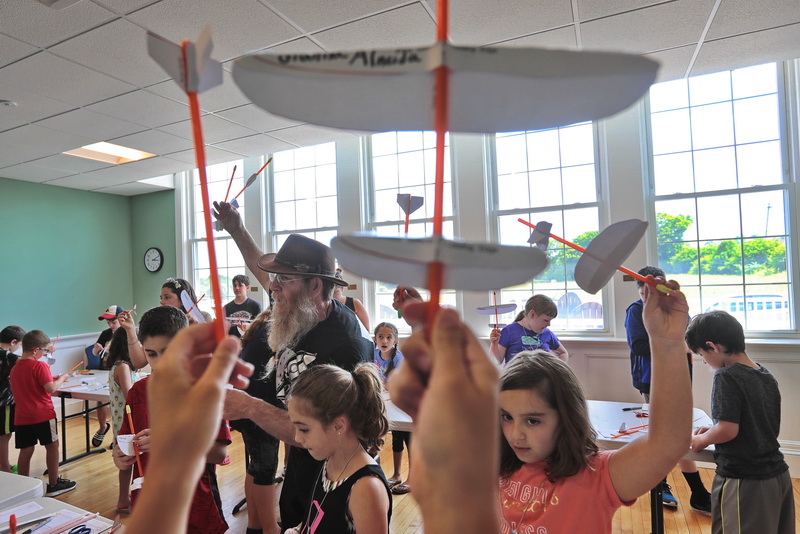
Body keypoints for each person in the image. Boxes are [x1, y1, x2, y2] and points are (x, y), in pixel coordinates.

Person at [213, 203, 374, 529]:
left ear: (315, 286)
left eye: (283, 279)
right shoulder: (298, 304)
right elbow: (262, 270)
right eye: (276, 278)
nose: (273, 286)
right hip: (303, 471)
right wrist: (236, 228)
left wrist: (250, 408)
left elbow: (324, 434)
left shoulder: (347, 345)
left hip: (338, 482)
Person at [124, 322, 252, 534]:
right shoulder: (137, 391)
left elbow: (219, 454)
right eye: (151, 354)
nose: (161, 362)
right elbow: (128, 446)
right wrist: (121, 457)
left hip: (197, 504)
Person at [687, 310, 795, 533]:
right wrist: (715, 428)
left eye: (701, 354)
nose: (704, 361)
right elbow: (755, 422)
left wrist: (703, 439)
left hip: (744, 480)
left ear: (713, 346)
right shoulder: (764, 374)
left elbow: (728, 430)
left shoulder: (726, 376)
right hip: (777, 475)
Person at [625, 265, 711, 513]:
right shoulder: (636, 311)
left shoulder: (673, 309)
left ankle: (695, 492)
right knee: (666, 434)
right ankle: (665, 486)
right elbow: (639, 346)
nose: (649, 297)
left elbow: (689, 342)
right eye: (644, 293)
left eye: (654, 291)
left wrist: (681, 345)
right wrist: (669, 342)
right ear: (640, 291)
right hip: (652, 379)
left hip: (679, 377)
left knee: (682, 432)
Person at [285, 363, 391, 533]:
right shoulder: (330, 461)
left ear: (338, 426)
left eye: (304, 429)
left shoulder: (366, 488)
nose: (297, 438)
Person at [229, 308, 281, 534]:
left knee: (256, 467)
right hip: (260, 409)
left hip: (247, 406)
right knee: (265, 471)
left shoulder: (260, 326)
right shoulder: (274, 330)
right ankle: (270, 529)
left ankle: (254, 525)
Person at [9, 330, 77, 496]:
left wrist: (50, 377)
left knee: (26, 450)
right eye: (45, 351)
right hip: (43, 415)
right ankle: (53, 484)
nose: (46, 354)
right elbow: (51, 388)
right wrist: (63, 378)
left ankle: (24, 486)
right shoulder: (40, 365)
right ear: (35, 350)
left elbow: (31, 383)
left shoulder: (15, 367)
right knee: (52, 446)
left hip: (22, 417)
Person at [373, 322, 411, 495]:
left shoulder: (398, 358)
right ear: (375, 339)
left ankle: (413, 478)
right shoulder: (373, 354)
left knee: (409, 438)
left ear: (395, 340)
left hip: (404, 404)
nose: (384, 340)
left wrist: (383, 383)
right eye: (380, 336)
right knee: (396, 436)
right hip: (387, 403)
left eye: (389, 337)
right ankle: (396, 475)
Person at [106, 327, 139, 514]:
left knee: (126, 462)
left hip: (122, 420)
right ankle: (126, 499)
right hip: (128, 420)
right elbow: (130, 395)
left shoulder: (117, 365)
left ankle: (123, 499)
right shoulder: (123, 367)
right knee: (128, 461)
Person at [490, 294, 568, 365]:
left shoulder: (547, 333)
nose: (549, 325)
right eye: (546, 320)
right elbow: (497, 361)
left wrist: (558, 370)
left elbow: (563, 353)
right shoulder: (509, 331)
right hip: (515, 379)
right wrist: (494, 344)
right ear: (532, 314)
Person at [91, 305, 121, 447]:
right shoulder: (106, 333)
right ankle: (103, 427)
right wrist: (96, 349)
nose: (110, 325)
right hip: (104, 371)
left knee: (119, 403)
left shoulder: (127, 333)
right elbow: (96, 353)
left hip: (121, 372)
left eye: (113, 322)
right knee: (101, 400)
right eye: (108, 322)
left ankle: (119, 434)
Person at [0, 325, 25, 473]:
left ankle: (5, 464)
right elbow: (27, 362)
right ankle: (4, 468)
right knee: (4, 435)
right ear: (13, 342)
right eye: (20, 345)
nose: (19, 348)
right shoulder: (6, 354)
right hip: (4, 402)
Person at [224, 274, 262, 338]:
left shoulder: (256, 306)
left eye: (240, 285)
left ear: (247, 287)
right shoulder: (226, 308)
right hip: (232, 342)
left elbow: (260, 328)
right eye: (235, 285)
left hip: (249, 342)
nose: (237, 288)